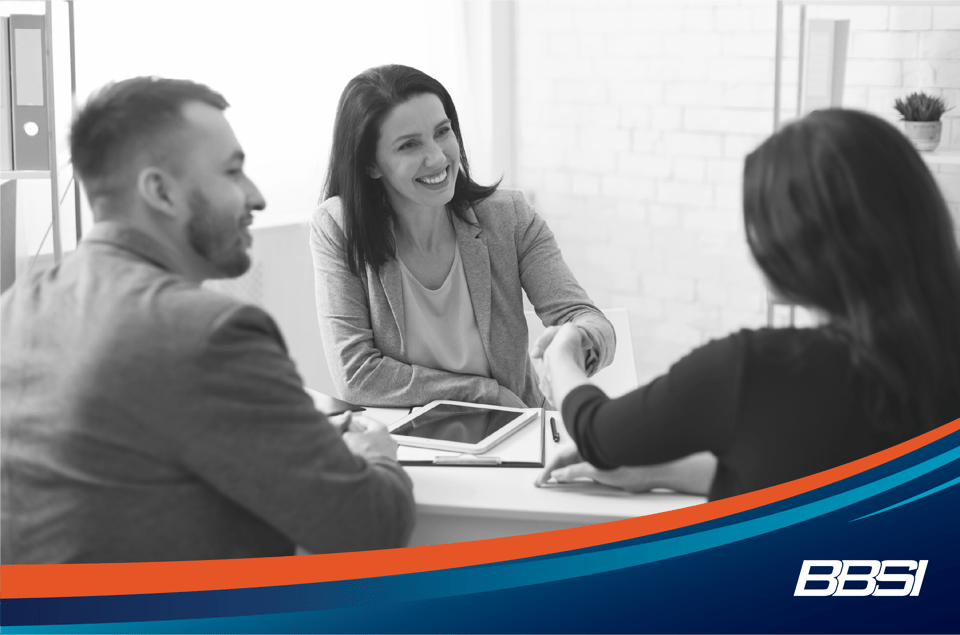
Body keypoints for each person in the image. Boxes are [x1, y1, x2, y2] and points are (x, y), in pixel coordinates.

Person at [0, 77, 415, 564]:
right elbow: (366, 527)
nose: (257, 197)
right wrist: (378, 456)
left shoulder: (15, 306)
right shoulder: (207, 332)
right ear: (161, 192)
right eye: (233, 172)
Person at [534, 109, 960, 501]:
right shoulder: (928, 358)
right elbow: (812, 475)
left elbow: (597, 432)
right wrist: (657, 472)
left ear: (801, 240)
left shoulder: (757, 369)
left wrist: (562, 354)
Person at [310, 64, 615, 409]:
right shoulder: (338, 228)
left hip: (517, 432)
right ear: (371, 165)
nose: (438, 157)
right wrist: (484, 393)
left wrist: (577, 338)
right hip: (407, 441)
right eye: (409, 145)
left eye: (443, 132)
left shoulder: (508, 216)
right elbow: (356, 376)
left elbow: (589, 320)